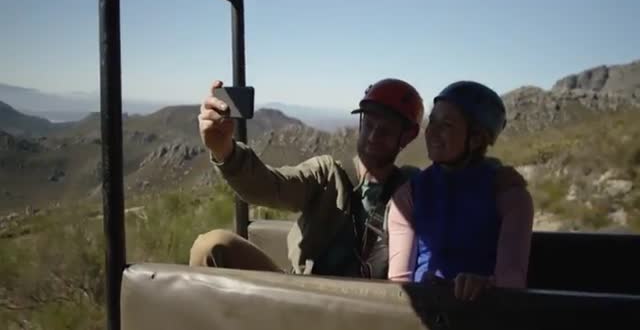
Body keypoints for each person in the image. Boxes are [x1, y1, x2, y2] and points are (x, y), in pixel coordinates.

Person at [191, 78, 424, 279]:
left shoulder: (413, 188)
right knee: (211, 245)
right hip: (306, 299)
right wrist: (224, 151)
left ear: (407, 136)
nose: (372, 136)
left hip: (371, 311)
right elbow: (269, 186)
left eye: (385, 130)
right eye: (369, 124)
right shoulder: (327, 175)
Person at [387, 81, 534, 300]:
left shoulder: (509, 196)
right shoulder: (410, 194)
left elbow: (511, 279)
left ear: (476, 139)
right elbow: (398, 283)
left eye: (446, 125)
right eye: (432, 122)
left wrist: (485, 286)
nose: (432, 133)